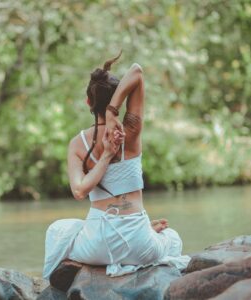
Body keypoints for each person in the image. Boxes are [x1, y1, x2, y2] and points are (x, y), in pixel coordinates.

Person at [42, 50, 190, 290]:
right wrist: (113, 118)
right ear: (118, 98)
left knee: (58, 230)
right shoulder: (130, 131)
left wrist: (103, 152)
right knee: (172, 238)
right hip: (139, 244)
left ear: (88, 102)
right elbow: (137, 71)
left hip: (96, 245)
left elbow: (79, 192)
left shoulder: (77, 143)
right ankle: (144, 232)